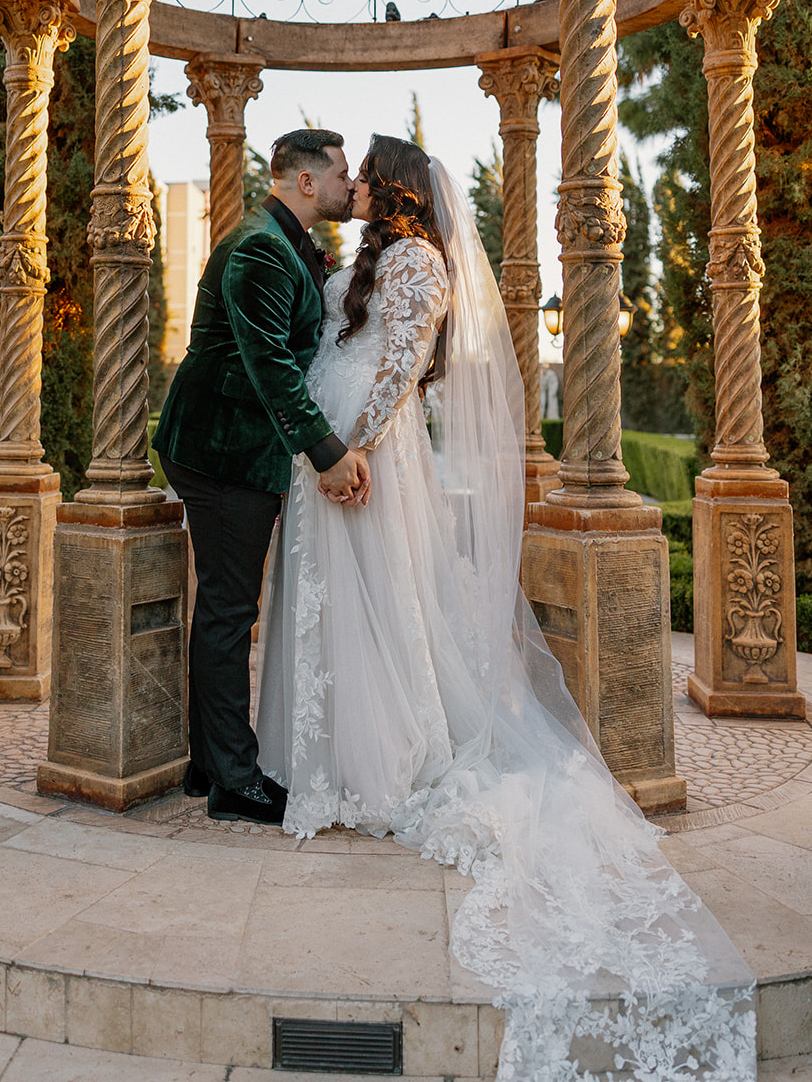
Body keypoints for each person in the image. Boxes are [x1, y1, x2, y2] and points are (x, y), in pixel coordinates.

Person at [256, 134, 756, 1082]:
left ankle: (387, 753)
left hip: (362, 461)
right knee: (328, 608)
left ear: (394, 186)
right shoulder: (365, 258)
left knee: (380, 607)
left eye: (366, 171)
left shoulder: (422, 263)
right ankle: (316, 754)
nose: (353, 184)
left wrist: (344, 450)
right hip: (319, 455)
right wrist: (315, 447)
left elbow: (400, 369)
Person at [154, 128, 370, 826]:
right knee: (227, 611)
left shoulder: (286, 244)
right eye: (339, 173)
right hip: (221, 449)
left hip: (240, 449)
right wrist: (327, 452)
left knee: (223, 607)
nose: (348, 184)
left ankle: (207, 762)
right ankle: (236, 783)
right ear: (303, 181)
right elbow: (269, 365)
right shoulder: (258, 249)